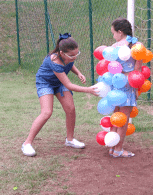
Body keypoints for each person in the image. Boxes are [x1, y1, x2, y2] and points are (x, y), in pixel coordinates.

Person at [21, 33, 98, 157]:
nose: (75, 57)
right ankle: (27, 144)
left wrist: (78, 73)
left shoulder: (67, 57)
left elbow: (70, 63)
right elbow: (69, 85)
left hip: (59, 82)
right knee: (46, 112)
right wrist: (88, 90)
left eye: (77, 54)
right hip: (45, 83)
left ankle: (70, 140)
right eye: (72, 55)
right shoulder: (55, 61)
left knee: (70, 109)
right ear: (62, 53)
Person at [100, 17, 142, 158]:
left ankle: (112, 147)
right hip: (128, 85)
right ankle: (118, 150)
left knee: (115, 117)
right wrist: (136, 89)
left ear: (120, 32)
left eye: (113, 33)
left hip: (115, 85)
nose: (113, 36)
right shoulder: (136, 46)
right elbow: (137, 70)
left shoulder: (113, 47)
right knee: (123, 119)